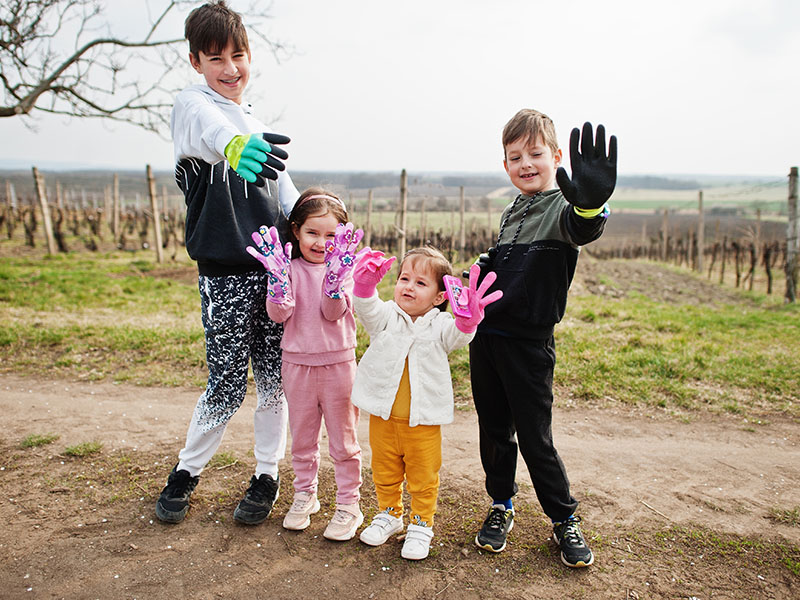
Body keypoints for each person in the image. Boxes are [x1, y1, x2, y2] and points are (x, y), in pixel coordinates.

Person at [155, 0, 300, 526]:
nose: (230, 68)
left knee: (274, 382)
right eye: (216, 58)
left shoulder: (259, 127)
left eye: (237, 55)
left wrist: (331, 230)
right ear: (195, 62)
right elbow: (212, 129)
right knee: (225, 384)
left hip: (275, 276)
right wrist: (235, 145)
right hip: (224, 277)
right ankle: (186, 473)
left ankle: (267, 475)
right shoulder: (191, 108)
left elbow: (290, 200)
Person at [469, 109, 616, 568]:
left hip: (528, 345)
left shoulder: (560, 207)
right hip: (486, 339)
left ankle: (563, 518)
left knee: (536, 438)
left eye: (535, 154)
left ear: (556, 156)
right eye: (515, 157)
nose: (525, 164)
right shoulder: (512, 210)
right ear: (505, 164)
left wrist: (590, 204)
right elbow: (500, 268)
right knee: (494, 431)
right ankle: (501, 505)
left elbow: (582, 226)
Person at [351, 247, 502, 560]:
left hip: (423, 423)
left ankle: (421, 526)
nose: (408, 286)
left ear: (438, 296)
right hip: (383, 418)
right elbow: (365, 308)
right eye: (404, 278)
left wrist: (468, 320)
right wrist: (364, 286)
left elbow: (460, 336)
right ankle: (389, 516)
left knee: (423, 478)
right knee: (384, 472)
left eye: (421, 283)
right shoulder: (386, 317)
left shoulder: (441, 325)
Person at [246, 188, 365, 541]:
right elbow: (278, 313)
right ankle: (304, 495)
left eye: (331, 235)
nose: (321, 242)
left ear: (342, 237)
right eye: (313, 232)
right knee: (302, 439)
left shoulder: (345, 268)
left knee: (343, 442)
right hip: (296, 364)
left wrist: (333, 283)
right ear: (296, 231)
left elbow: (333, 313)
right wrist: (279, 284)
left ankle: (348, 504)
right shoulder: (287, 267)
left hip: (338, 364)